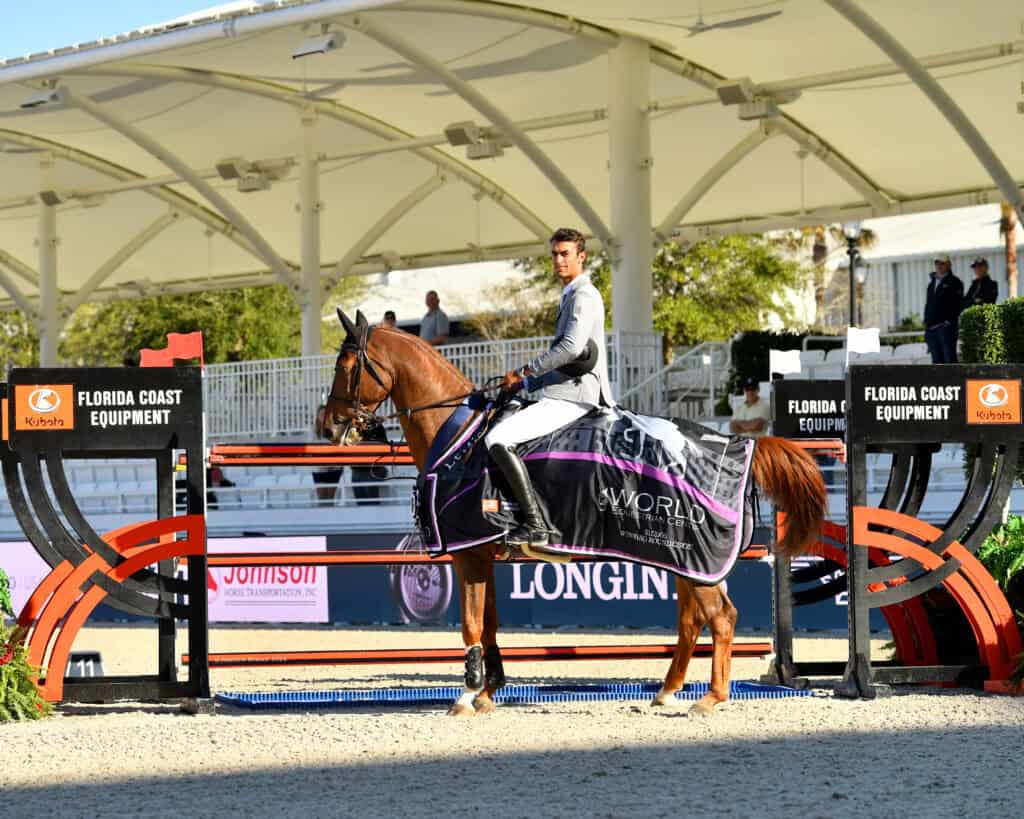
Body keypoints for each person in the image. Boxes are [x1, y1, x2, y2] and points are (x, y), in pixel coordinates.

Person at [486, 227, 614, 549]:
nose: (558, 260)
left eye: (565, 254)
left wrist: (523, 371)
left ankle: (534, 525)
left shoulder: (584, 295)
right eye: (555, 254)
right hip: (564, 389)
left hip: (576, 396)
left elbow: (570, 348)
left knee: (497, 437)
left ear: (581, 256)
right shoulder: (569, 294)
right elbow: (562, 362)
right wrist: (525, 383)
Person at [924, 253, 964, 364]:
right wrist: (926, 326)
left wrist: (948, 323)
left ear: (949, 264)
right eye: (937, 263)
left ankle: (954, 382)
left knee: (949, 361)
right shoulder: (931, 284)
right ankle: (940, 382)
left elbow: (958, 305)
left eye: (942, 263)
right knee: (936, 363)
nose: (939, 265)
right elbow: (928, 305)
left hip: (946, 329)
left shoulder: (955, 282)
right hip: (931, 330)